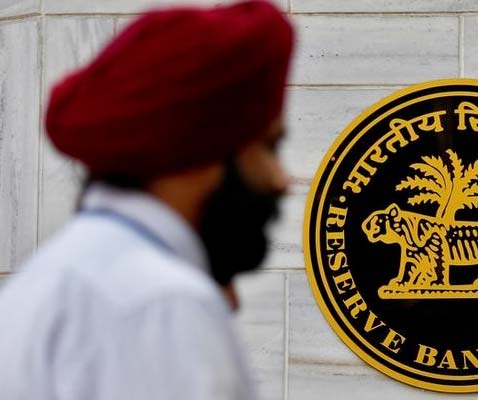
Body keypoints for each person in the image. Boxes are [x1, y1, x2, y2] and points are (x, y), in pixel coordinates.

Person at [0, 1, 294, 399]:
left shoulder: (42, 282)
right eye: (268, 148)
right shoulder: (161, 305)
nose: (282, 180)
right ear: (200, 156)